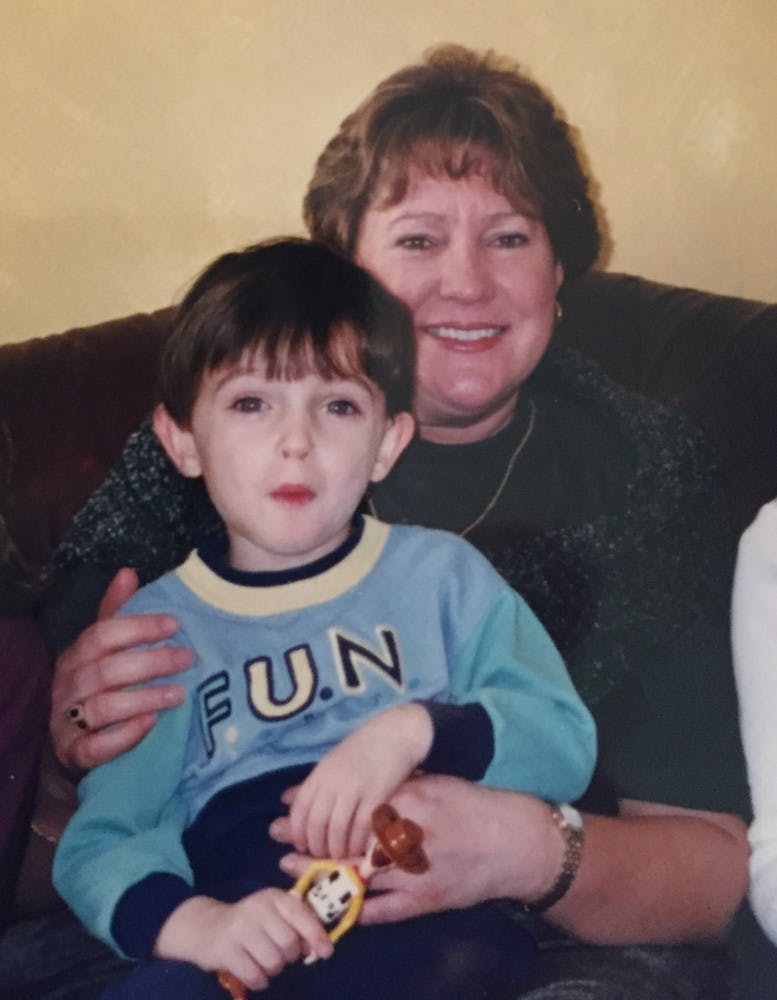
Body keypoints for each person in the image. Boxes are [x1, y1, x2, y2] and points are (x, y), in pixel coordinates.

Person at [25, 44, 749, 999]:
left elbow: (710, 878)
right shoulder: (210, 442)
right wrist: (65, 744)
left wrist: (531, 851)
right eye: (416, 240)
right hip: (232, 923)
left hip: (540, 939)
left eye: (509, 236)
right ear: (348, 268)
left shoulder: (647, 469)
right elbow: (66, 812)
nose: (465, 282)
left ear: (560, 272)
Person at [53, 238, 596, 998]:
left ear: (387, 442)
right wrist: (201, 925)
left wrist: (413, 729)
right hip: (245, 934)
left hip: (420, 918)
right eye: (250, 404)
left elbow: (561, 742)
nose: (296, 442)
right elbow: (104, 845)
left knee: (464, 962)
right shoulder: (159, 631)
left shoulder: (443, 578)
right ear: (180, 441)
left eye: (338, 406)